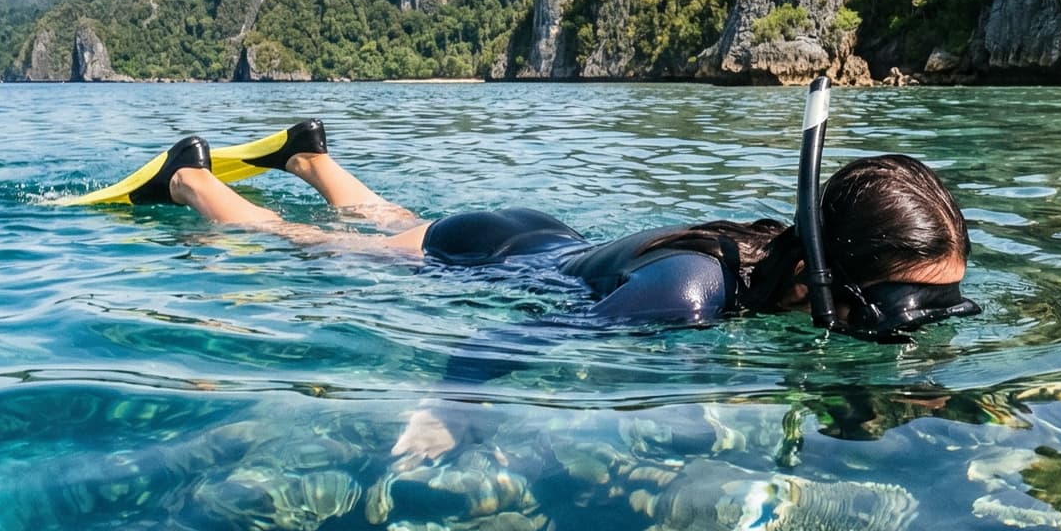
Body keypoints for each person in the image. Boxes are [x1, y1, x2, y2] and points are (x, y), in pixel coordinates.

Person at [135, 120, 979, 335]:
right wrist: (450, 409)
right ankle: (192, 178)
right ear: (841, 279)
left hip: (544, 236)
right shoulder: (694, 292)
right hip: (498, 255)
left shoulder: (774, 259)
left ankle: (310, 156)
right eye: (910, 307)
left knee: (399, 221)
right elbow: (537, 343)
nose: (916, 326)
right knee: (321, 248)